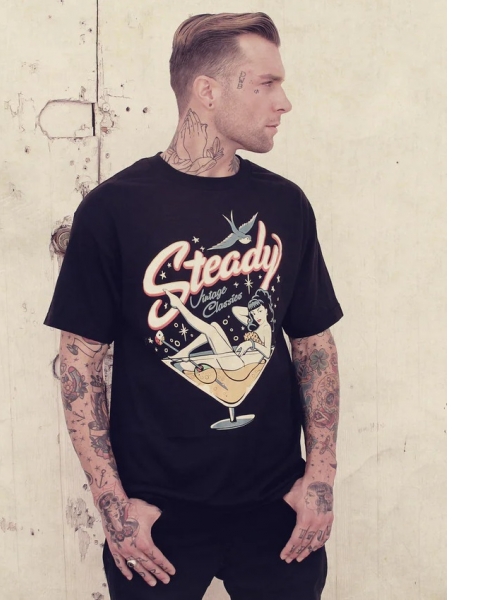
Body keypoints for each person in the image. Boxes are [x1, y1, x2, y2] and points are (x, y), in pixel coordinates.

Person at [44, 11, 343, 600]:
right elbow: (80, 364)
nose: (283, 103)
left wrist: (320, 478)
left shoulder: (285, 205)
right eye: (266, 84)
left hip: (275, 510)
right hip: (157, 518)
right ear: (207, 91)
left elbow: (313, 344)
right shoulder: (114, 209)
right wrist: (115, 506)